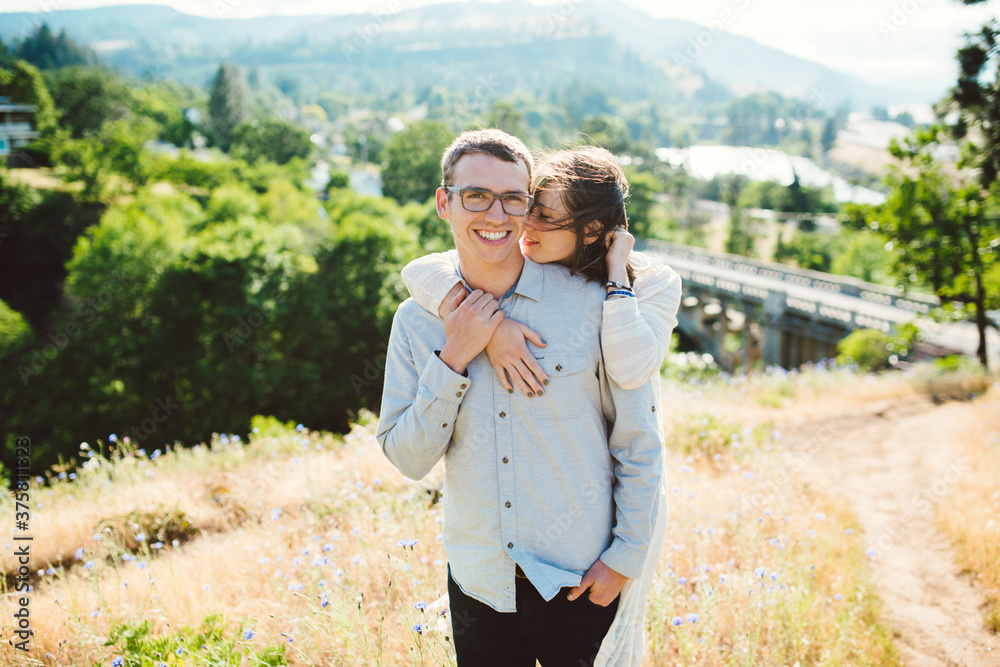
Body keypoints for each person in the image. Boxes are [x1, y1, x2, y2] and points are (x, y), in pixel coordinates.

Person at [376, 130, 666, 666]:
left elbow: (639, 438)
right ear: (445, 202)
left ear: (530, 205)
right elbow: (406, 459)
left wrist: (626, 556)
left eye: (514, 197)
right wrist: (455, 356)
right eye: (476, 195)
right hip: (479, 583)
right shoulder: (417, 323)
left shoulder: (593, 305)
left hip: (580, 579)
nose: (496, 213)